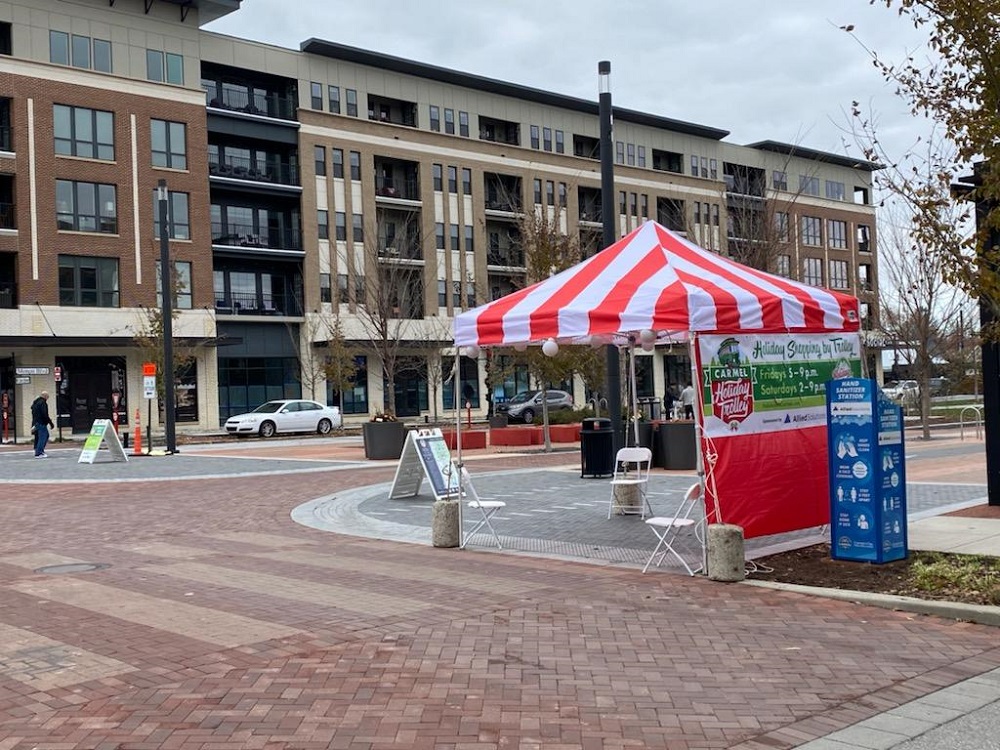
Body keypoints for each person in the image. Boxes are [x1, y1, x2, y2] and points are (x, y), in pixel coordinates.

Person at [30, 391, 54, 458]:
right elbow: (45, 414)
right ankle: (39, 452)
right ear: (45, 396)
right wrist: (50, 423)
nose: (47, 399)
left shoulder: (35, 403)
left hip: (35, 422)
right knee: (43, 437)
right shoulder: (43, 403)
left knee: (37, 437)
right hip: (41, 423)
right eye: (47, 397)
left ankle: (37, 449)